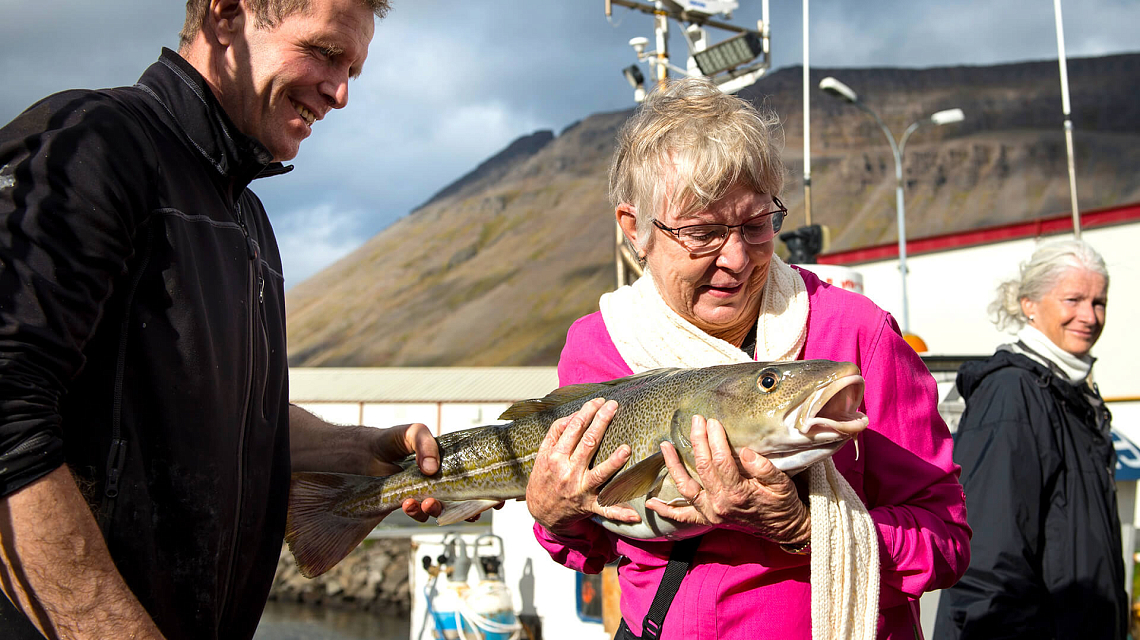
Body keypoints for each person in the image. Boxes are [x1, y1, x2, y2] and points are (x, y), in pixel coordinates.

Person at [0, 1, 444, 638]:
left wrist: (355, 448)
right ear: (227, 14)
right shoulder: (89, 145)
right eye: (323, 52)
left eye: (353, 69)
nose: (341, 94)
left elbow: (223, 418)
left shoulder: (250, 222)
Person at [524, 77, 971, 640]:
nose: (736, 259)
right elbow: (589, 544)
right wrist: (553, 512)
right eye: (702, 232)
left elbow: (947, 539)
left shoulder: (855, 336)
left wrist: (807, 527)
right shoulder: (598, 347)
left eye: (756, 225)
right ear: (634, 229)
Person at [933, 240, 1125, 639]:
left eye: (1099, 302)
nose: (1089, 316)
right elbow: (987, 562)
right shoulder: (1012, 393)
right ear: (1029, 304)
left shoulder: (1071, 396)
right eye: (1073, 299)